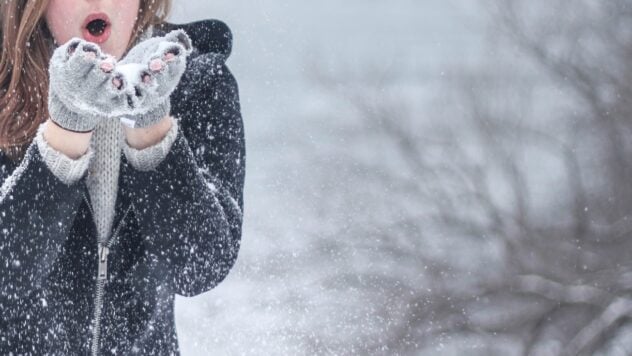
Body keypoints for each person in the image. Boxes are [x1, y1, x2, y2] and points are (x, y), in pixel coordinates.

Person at [0, 0, 245, 354]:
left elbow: (199, 267)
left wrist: (152, 128)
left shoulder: (198, 86)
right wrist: (64, 134)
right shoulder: (5, 88)